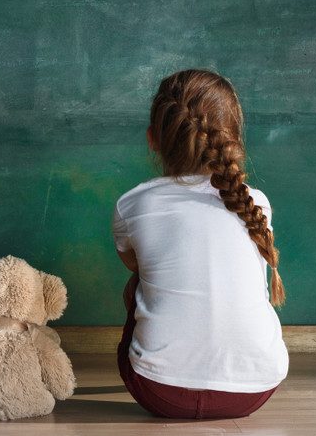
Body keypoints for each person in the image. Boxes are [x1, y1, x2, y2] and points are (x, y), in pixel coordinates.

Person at [112, 68, 289, 420]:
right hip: (254, 391)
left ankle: (166, 361)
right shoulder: (257, 204)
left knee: (138, 286)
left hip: (157, 392)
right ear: (234, 140)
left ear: (153, 138)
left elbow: (134, 266)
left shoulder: (132, 204)